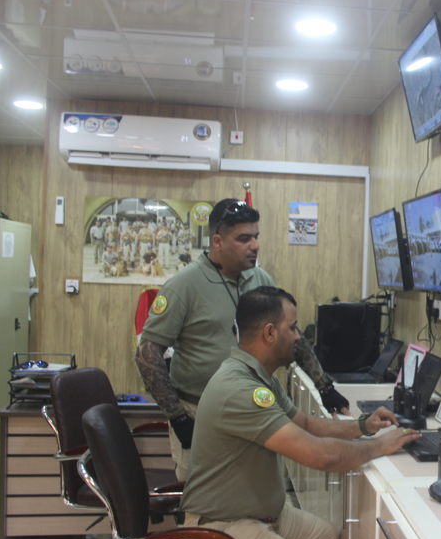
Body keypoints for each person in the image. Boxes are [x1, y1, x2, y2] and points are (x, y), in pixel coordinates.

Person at [175, 286, 420, 539]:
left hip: (258, 515)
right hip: (218, 533)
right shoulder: (240, 390)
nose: (298, 337)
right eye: (291, 328)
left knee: (325, 537)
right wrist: (380, 446)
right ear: (269, 333)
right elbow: (321, 456)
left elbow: (305, 424)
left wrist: (363, 426)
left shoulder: (260, 376)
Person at [136, 199, 351, 481]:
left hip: (256, 410)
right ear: (217, 242)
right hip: (199, 413)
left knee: (251, 490)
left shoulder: (260, 280)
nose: (255, 245)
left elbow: (290, 335)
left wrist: (324, 385)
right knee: (203, 495)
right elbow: (147, 353)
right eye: (244, 238)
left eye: (256, 237)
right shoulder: (184, 286)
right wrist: (177, 415)